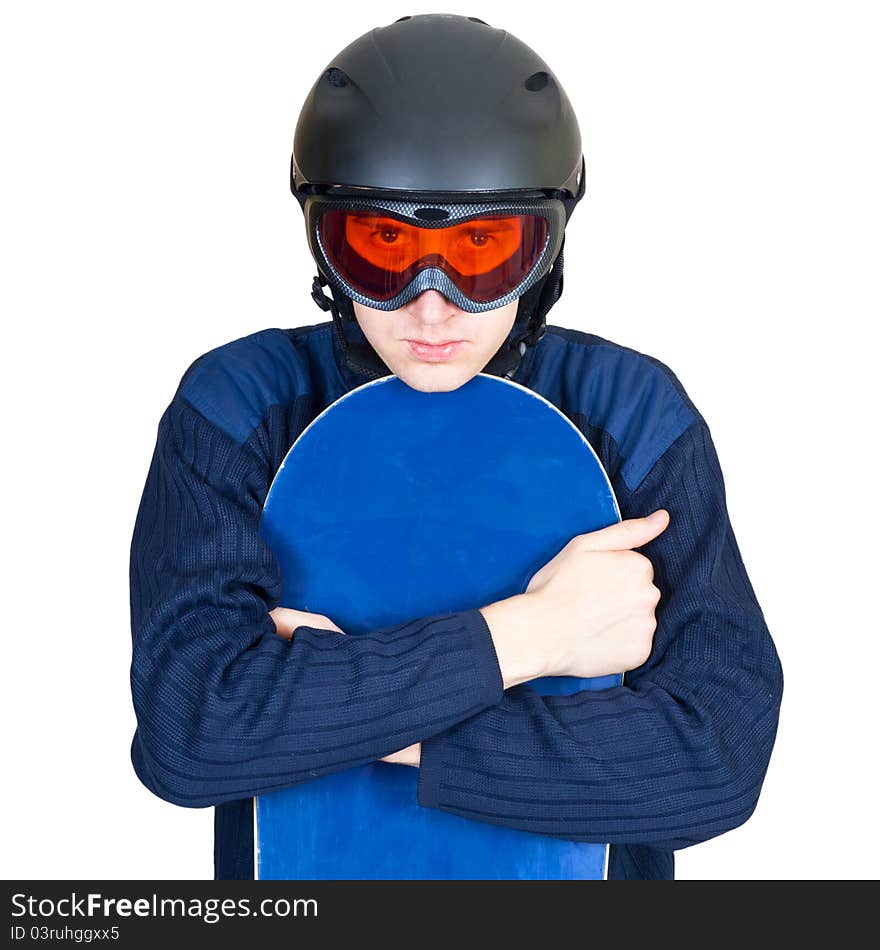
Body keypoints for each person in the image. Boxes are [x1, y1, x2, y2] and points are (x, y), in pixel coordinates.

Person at [129, 13, 783, 881]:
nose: (429, 307)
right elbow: (191, 737)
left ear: (544, 247)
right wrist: (538, 633)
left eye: (480, 250)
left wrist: (343, 713)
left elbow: (714, 766)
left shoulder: (631, 414)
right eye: (384, 247)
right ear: (325, 239)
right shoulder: (239, 409)